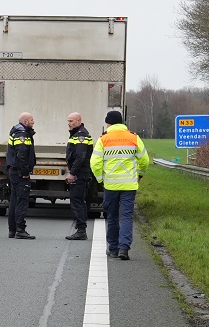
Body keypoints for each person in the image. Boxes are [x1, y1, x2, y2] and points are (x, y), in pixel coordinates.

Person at [90, 110, 150, 260]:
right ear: (122, 122)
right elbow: (145, 160)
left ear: (108, 123)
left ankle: (113, 249)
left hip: (110, 185)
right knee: (126, 216)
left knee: (112, 216)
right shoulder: (134, 138)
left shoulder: (103, 139)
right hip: (129, 185)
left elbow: (95, 163)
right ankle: (124, 249)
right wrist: (139, 175)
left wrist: (100, 179)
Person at [6, 111, 36, 239]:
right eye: (31, 120)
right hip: (19, 173)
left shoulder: (17, 132)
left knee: (14, 200)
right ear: (25, 122)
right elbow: (21, 154)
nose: (33, 122)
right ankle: (20, 230)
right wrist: (25, 172)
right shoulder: (22, 134)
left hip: (14, 172)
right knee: (22, 201)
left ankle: (12, 230)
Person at [64, 112, 94, 240]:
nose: (69, 124)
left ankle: (81, 230)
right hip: (80, 172)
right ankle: (81, 229)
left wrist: (72, 173)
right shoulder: (77, 133)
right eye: (68, 121)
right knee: (78, 201)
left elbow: (80, 157)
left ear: (79, 121)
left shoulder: (81, 135)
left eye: (71, 121)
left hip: (80, 174)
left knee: (77, 201)